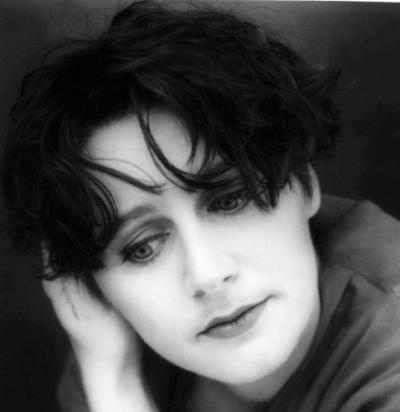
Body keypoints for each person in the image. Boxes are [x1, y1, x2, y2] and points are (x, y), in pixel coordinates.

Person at [2, 1, 400, 411]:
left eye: (230, 200)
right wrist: (113, 378)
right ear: (91, 286)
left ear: (305, 182)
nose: (208, 274)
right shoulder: (112, 346)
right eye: (143, 248)